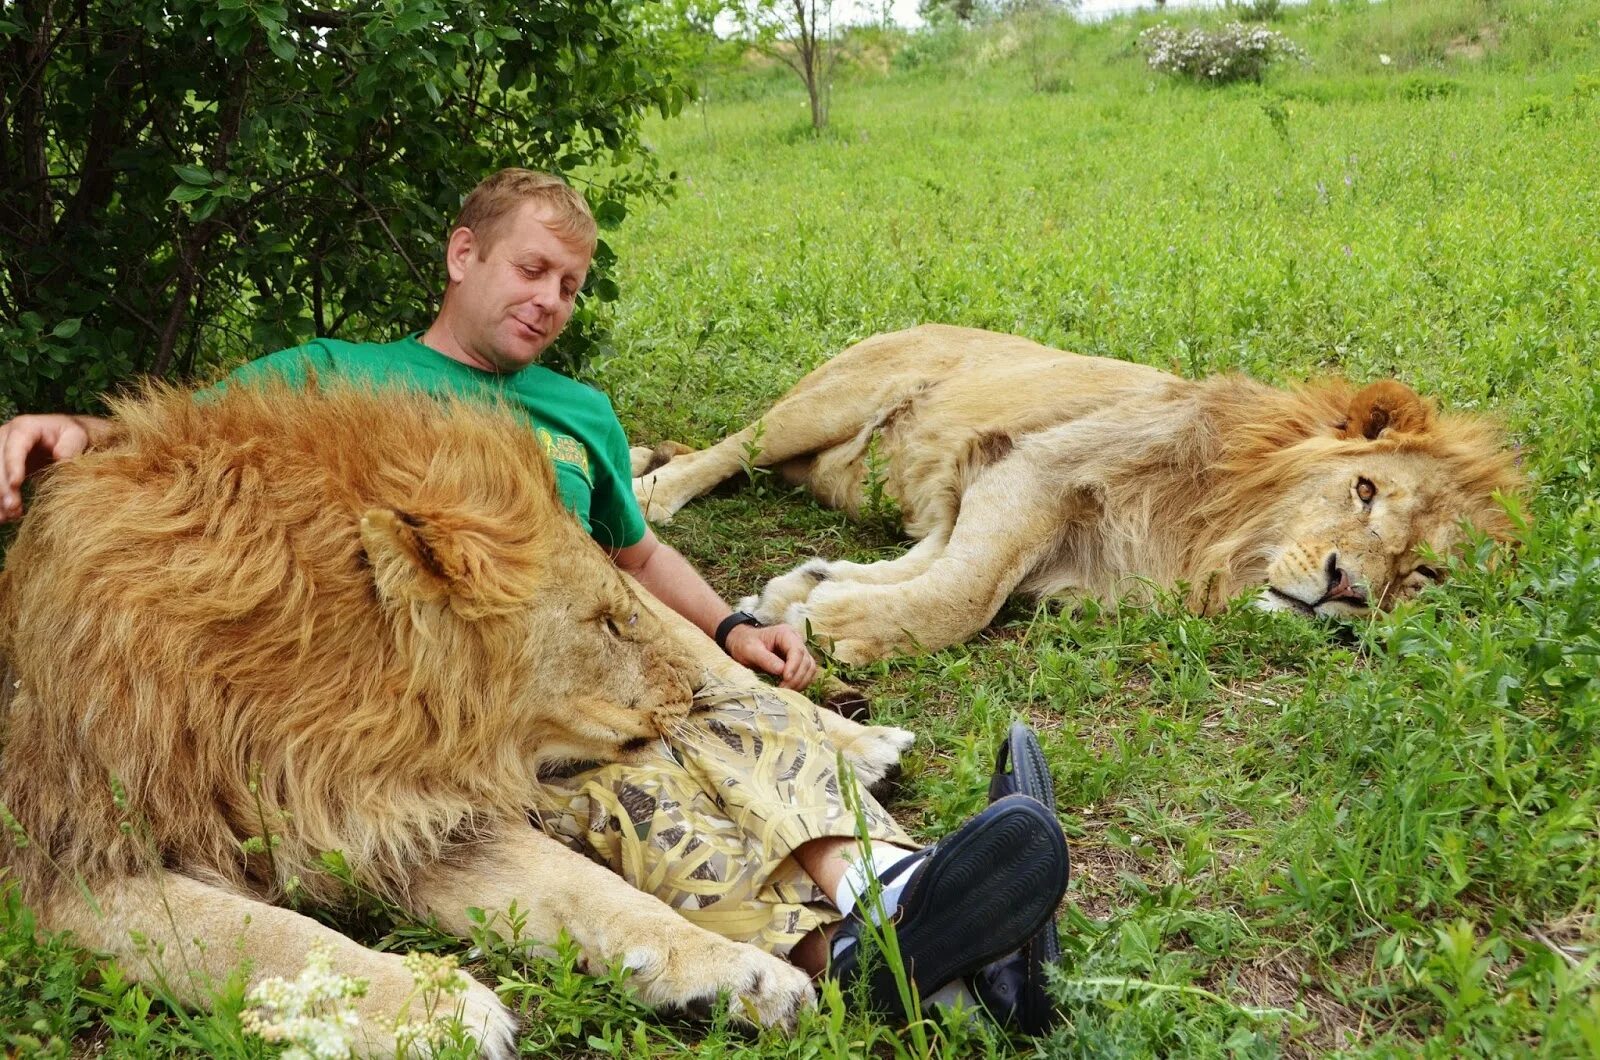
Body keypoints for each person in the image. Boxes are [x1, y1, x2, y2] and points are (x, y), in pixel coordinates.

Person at [0, 169, 1068, 1025]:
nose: (551, 298)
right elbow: (175, 445)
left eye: (570, 284)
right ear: (462, 255)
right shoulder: (329, 370)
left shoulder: (578, 410)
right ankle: (905, 943)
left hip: (586, 618)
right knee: (621, 782)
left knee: (725, 715)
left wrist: (735, 627)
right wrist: (67, 434)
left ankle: (903, 883)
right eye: (533, 269)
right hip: (463, 656)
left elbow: (635, 556)